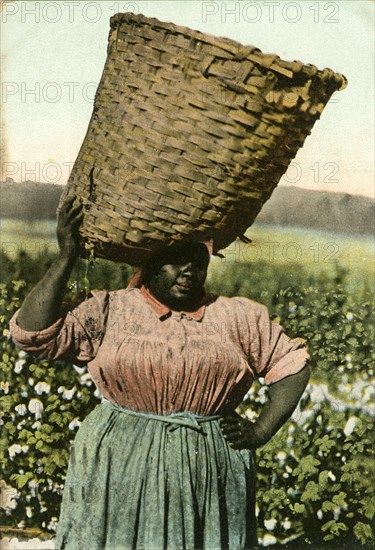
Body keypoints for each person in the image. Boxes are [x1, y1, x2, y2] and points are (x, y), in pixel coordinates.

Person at [10, 197, 310, 550]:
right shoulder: (111, 309)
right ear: (149, 265)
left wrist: (261, 431)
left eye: (198, 262)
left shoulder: (236, 317)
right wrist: (67, 256)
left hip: (206, 469)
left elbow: (293, 365)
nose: (189, 271)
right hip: (119, 464)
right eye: (175, 261)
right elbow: (31, 334)